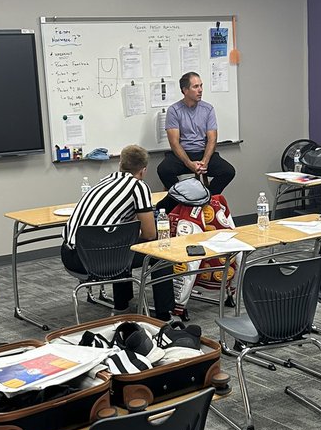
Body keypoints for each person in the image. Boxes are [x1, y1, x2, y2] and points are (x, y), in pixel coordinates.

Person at [62, 145, 174, 319]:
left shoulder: (104, 181)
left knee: (121, 242)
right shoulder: (138, 186)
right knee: (161, 249)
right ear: (143, 171)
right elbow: (150, 235)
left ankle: (122, 304)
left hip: (71, 257)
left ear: (120, 163)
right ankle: (164, 314)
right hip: (98, 261)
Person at [157, 72, 235, 197]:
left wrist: (205, 161)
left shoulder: (208, 109)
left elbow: (212, 139)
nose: (200, 90)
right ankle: (182, 197)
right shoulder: (174, 110)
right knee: (164, 170)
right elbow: (174, 143)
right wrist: (189, 163)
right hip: (182, 155)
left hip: (203, 153)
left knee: (228, 171)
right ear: (185, 90)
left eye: (201, 86)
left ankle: (206, 197)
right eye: (196, 87)